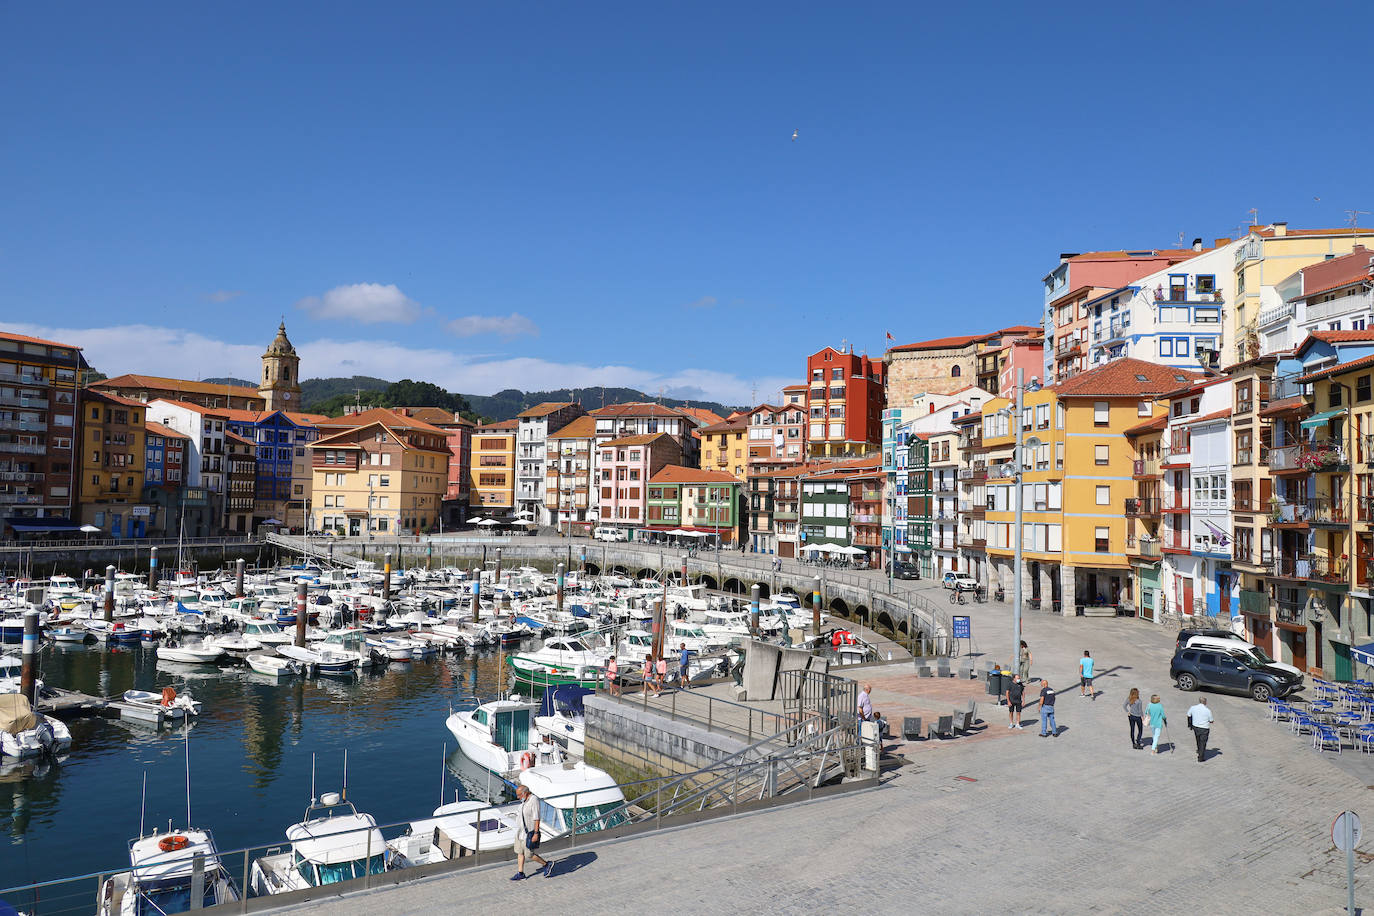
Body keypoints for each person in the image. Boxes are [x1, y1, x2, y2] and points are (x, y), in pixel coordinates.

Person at [511, 784, 553, 880]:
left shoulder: (533, 800)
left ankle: (546, 864)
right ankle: (520, 873)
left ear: (525, 793)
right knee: (519, 852)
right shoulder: (524, 801)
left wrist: (536, 833)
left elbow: (536, 818)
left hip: (528, 833)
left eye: (519, 795)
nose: (518, 797)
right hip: (520, 832)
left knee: (529, 854)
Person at [1188, 697, 1214, 763]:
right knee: (1203, 742)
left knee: (1198, 740)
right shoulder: (1207, 710)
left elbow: (1188, 715)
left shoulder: (1193, 707)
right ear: (1205, 702)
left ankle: (1199, 751)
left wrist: (1190, 724)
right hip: (1204, 728)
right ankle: (1201, 757)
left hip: (1195, 727)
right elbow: (1211, 720)